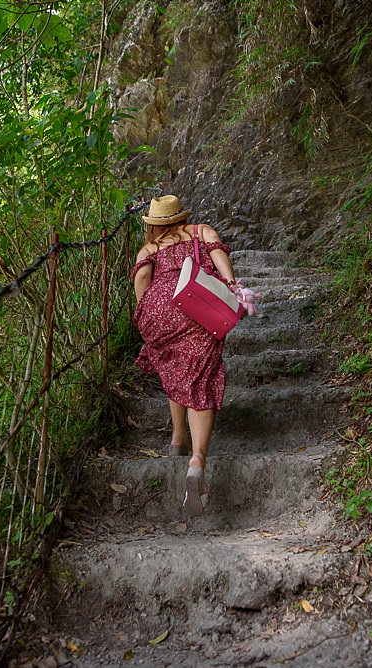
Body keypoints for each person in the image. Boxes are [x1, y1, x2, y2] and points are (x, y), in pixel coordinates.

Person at [130, 194, 238, 516]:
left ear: (153, 225)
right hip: (197, 302)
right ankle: (196, 462)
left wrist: (145, 314)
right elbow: (217, 251)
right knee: (199, 375)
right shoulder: (200, 231)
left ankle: (178, 439)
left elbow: (142, 279)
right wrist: (231, 284)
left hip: (160, 307)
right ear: (180, 217)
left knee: (176, 368)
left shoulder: (149, 249)